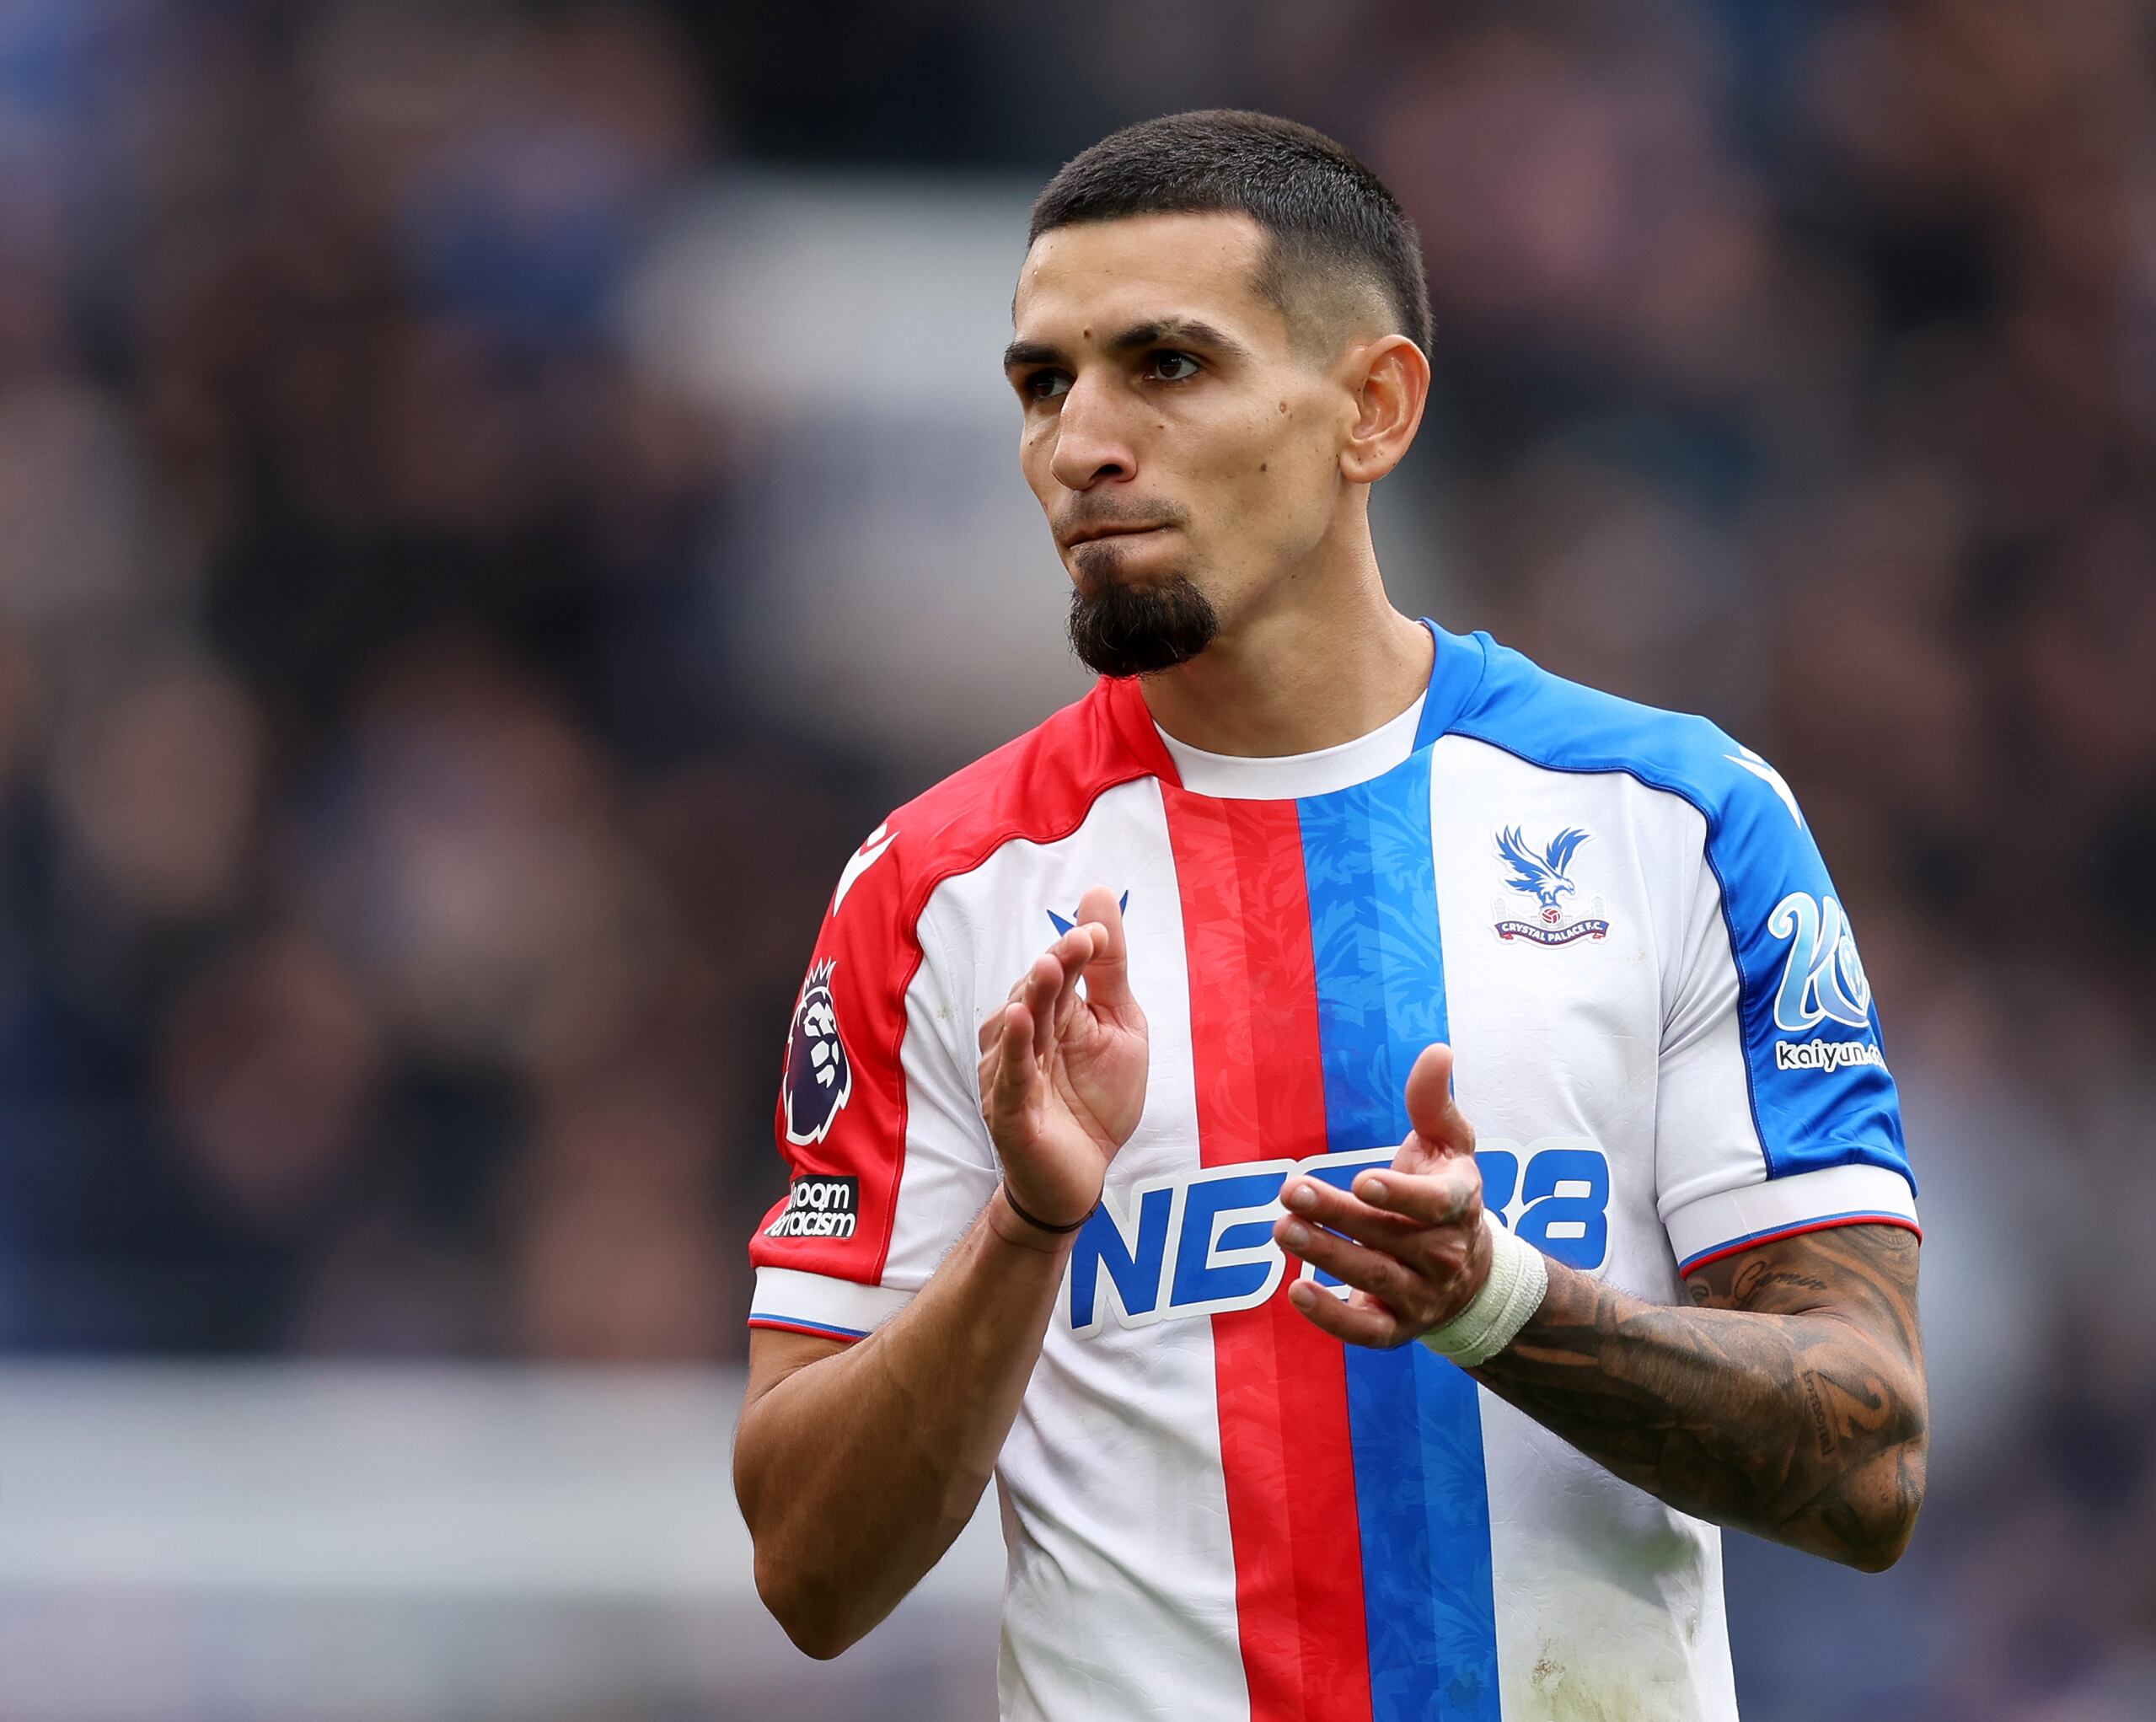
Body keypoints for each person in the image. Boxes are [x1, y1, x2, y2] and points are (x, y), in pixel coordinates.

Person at [732, 110, 1927, 1722]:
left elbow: (1869, 1462)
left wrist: (1498, 1306)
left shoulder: (1676, 824)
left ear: (1374, 407)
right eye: (1043, 383)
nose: (1081, 441)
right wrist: (1025, 1233)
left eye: (1166, 365)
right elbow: (809, 1576)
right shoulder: (937, 894)